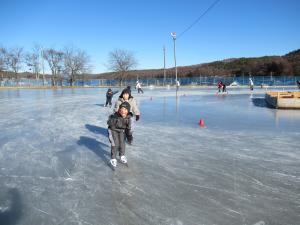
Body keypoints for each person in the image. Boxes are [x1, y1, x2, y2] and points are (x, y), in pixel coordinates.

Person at [107, 102, 132, 167]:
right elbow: (109, 123)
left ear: (128, 111)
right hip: (112, 130)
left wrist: (129, 136)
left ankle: (122, 155)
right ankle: (113, 158)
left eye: (125, 109)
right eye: (122, 109)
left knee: (122, 143)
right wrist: (112, 118)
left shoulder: (128, 118)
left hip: (121, 131)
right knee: (115, 143)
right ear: (119, 109)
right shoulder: (116, 116)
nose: (123, 111)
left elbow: (128, 128)